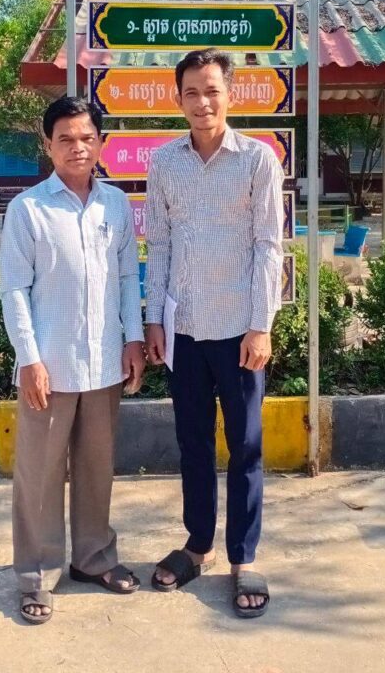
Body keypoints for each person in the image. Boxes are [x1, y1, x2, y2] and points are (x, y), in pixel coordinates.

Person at [144, 49, 284, 619]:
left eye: (212, 91)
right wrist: (154, 319)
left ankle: (244, 558)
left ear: (231, 94)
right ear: (178, 98)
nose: (202, 103)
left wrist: (261, 325)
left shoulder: (257, 160)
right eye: (192, 93)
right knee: (193, 443)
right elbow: (160, 245)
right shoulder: (164, 163)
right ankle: (198, 545)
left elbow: (269, 246)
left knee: (245, 446)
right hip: (185, 330)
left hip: (239, 332)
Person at [0, 96, 146, 624]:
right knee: (39, 474)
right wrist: (29, 359)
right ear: (48, 145)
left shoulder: (116, 205)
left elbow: (127, 277)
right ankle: (36, 575)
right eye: (65, 139)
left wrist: (133, 339)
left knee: (96, 468)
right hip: (50, 366)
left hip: (104, 363)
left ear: (100, 144)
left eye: (87, 138)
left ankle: (92, 559)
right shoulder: (28, 209)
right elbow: (14, 289)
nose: (77, 147)